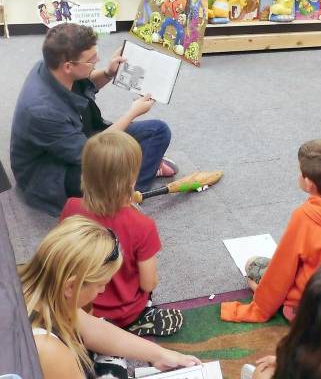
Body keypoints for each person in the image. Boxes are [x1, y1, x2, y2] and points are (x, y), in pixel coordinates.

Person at [10, 23, 177, 216]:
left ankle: (131, 187)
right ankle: (126, 189)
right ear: (68, 66)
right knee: (107, 169)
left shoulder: (52, 64)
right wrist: (131, 113)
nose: (97, 60)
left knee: (158, 131)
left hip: (77, 138)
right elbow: (91, 152)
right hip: (52, 172)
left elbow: (85, 83)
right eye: (91, 60)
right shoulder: (41, 111)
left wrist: (108, 73)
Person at [20, 215, 200, 379]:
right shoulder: (47, 349)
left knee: (106, 328)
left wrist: (161, 354)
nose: (103, 290)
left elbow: (92, 330)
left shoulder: (33, 288)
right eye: (100, 284)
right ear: (71, 286)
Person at [221, 139, 321, 322]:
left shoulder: (304, 217)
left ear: (309, 183)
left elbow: (282, 269)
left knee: (251, 265)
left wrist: (260, 307)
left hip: (308, 307)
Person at [59, 130, 183, 336]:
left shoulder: (71, 207)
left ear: (85, 174)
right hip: (122, 312)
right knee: (148, 288)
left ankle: (92, 338)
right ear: (131, 181)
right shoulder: (142, 225)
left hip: (76, 304)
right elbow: (148, 282)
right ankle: (133, 323)